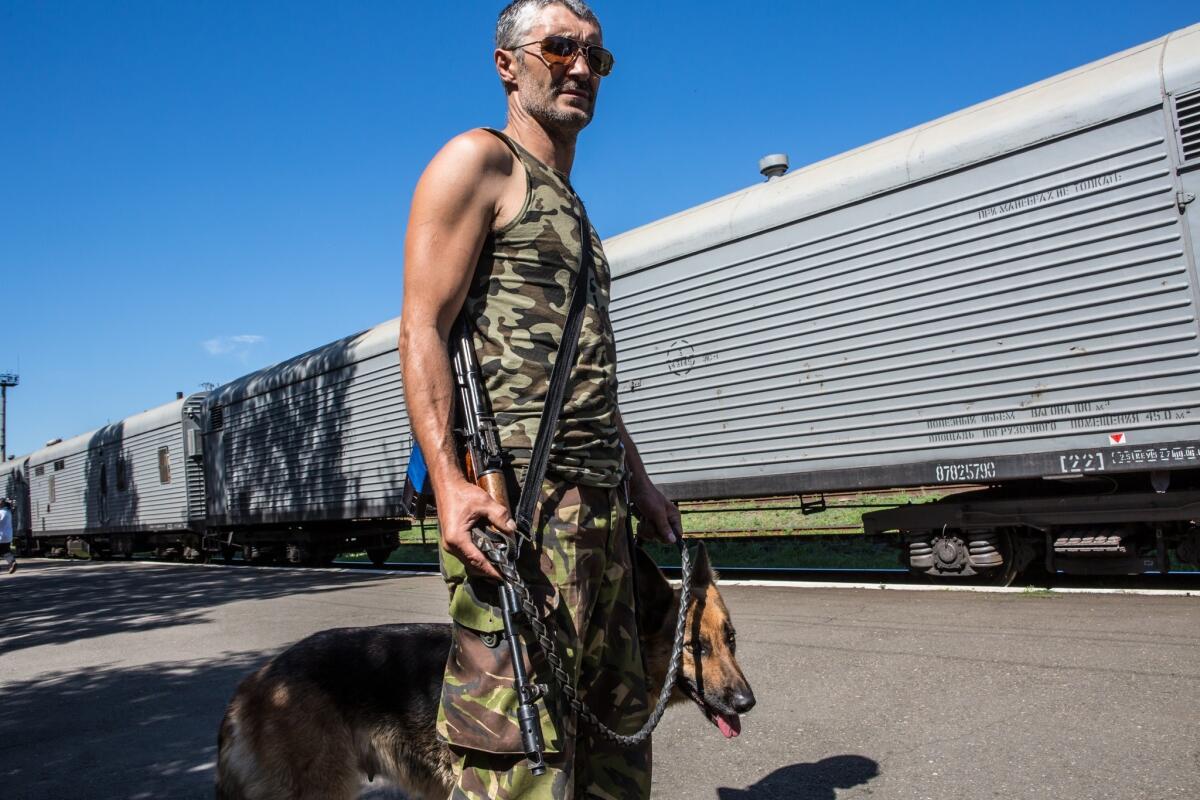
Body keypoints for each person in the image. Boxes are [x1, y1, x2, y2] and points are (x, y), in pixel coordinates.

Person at [398, 1, 682, 797]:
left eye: (596, 55)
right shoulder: (477, 163)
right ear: (507, 63)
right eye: (560, 50)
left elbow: (589, 366)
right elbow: (422, 327)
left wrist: (640, 480)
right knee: (516, 760)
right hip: (519, 507)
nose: (583, 69)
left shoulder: (580, 215)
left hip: (602, 517)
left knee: (613, 747)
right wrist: (448, 483)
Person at [0, 497, 16, 574]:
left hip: (1, 536)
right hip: (8, 536)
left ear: (2, 503)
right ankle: (12, 562)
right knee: (6, 551)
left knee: (4, 551)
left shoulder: (1, 512)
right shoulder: (8, 512)